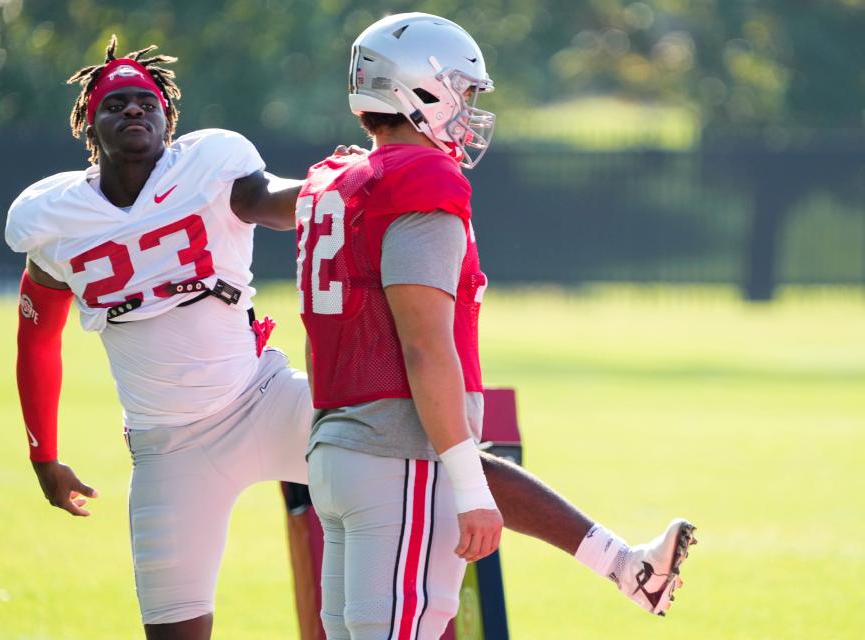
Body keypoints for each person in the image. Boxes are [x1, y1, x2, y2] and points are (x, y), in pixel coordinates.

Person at [5, 34, 693, 640]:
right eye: (116, 103)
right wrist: (44, 454)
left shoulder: (209, 171)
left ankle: (623, 564)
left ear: (169, 117)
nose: (133, 110)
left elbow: (289, 202)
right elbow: (37, 338)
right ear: (88, 125)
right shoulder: (57, 219)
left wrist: (366, 181)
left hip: (258, 398)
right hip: (165, 445)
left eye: (146, 102)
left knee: (426, 446)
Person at [296, 13, 696, 640]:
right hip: (401, 456)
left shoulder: (337, 181)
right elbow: (425, 348)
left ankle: (624, 566)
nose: (469, 108)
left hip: (339, 453)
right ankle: (625, 566)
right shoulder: (419, 179)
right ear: (416, 88)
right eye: (463, 90)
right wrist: (469, 482)